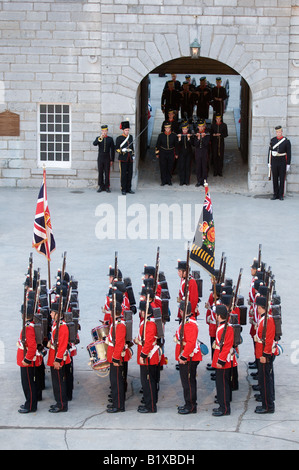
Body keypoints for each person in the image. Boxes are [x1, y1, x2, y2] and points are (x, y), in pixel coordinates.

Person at [175, 301, 202, 414]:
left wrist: (184, 356)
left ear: (182, 311)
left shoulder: (190, 323)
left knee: (189, 383)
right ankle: (188, 403)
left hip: (189, 358)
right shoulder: (187, 321)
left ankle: (191, 405)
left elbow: (190, 343)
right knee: (186, 382)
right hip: (186, 356)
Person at [17, 300, 43, 414]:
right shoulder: (29, 325)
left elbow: (32, 347)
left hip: (27, 360)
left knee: (28, 383)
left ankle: (31, 405)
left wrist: (27, 360)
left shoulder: (28, 327)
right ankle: (30, 402)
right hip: (25, 359)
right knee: (28, 383)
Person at [135, 300, 160, 413]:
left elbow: (149, 342)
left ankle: (151, 406)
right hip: (148, 355)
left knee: (148, 382)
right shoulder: (147, 322)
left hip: (148, 356)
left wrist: (143, 355)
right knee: (148, 381)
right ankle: (149, 402)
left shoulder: (149, 324)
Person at [212, 305, 237, 416]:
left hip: (223, 361)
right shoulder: (223, 326)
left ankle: (225, 408)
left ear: (219, 315)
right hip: (220, 358)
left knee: (223, 385)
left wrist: (221, 361)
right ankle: (222, 406)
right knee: (220, 384)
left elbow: (226, 346)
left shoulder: (226, 328)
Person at [254, 295, 276, 414]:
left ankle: (268, 406)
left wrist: (265, 355)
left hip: (264, 355)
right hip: (261, 353)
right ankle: (265, 403)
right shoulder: (264, 319)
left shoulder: (268, 320)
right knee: (263, 381)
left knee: (265, 381)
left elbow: (268, 339)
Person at [47, 301, 71, 413]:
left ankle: (62, 404)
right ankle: (58, 402)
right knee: (56, 382)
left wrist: (58, 360)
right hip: (53, 355)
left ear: (57, 313)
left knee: (59, 383)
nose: (51, 315)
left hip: (58, 358)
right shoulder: (56, 324)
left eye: (52, 313)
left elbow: (62, 346)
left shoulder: (62, 327)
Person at [106, 301, 129, 413]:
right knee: (114, 381)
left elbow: (119, 343)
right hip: (112, 355)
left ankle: (119, 405)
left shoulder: (119, 325)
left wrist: (115, 358)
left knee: (117, 382)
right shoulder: (116, 323)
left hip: (116, 357)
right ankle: (116, 402)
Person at [268, 125, 291, 200]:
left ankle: (281, 195)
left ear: (282, 132)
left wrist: (288, 164)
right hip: (274, 161)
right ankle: (275, 194)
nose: (278, 133)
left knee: (281, 178)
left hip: (282, 161)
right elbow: (269, 152)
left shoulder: (286, 141)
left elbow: (289, 153)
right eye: (277, 132)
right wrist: (269, 162)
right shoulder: (273, 140)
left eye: (279, 132)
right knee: (274, 178)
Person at [93, 125, 115, 193]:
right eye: (103, 131)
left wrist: (112, 160)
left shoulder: (110, 139)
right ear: (101, 131)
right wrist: (100, 137)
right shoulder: (99, 138)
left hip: (107, 158)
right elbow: (94, 144)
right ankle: (101, 186)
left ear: (107, 131)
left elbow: (112, 150)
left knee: (107, 172)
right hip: (100, 157)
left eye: (105, 131)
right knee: (100, 172)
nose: (104, 132)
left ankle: (107, 186)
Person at [115, 120, 135, 195]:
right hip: (123, 158)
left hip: (130, 158)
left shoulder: (131, 137)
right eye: (126, 130)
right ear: (123, 130)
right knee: (123, 174)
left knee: (130, 174)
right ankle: (123, 189)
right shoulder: (119, 138)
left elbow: (132, 147)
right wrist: (121, 150)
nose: (127, 131)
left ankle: (129, 188)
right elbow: (116, 149)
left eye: (128, 130)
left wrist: (133, 154)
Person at [155, 122, 178, 186]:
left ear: (170, 128)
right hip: (163, 152)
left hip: (171, 152)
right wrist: (157, 153)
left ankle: (169, 180)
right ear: (164, 128)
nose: (167, 129)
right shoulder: (161, 135)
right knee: (163, 167)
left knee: (170, 167)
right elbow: (157, 145)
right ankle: (163, 181)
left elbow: (176, 145)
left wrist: (176, 154)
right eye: (166, 128)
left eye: (168, 128)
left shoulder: (174, 135)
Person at [193, 119, 210, 187]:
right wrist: (198, 138)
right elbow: (195, 144)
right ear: (198, 127)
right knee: (198, 166)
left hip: (204, 151)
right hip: (198, 151)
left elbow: (206, 144)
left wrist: (202, 138)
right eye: (199, 126)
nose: (201, 128)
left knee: (204, 167)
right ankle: (199, 181)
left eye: (202, 126)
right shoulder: (196, 133)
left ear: (204, 126)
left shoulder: (207, 133)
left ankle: (204, 181)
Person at [175, 121, 193, 186]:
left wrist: (189, 139)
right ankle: (182, 181)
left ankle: (187, 181)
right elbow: (177, 145)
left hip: (188, 153)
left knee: (187, 167)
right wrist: (179, 139)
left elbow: (193, 144)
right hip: (181, 153)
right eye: (183, 129)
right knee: (181, 167)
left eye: (186, 129)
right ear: (182, 129)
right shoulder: (180, 135)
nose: (184, 130)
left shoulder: (189, 134)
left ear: (187, 129)